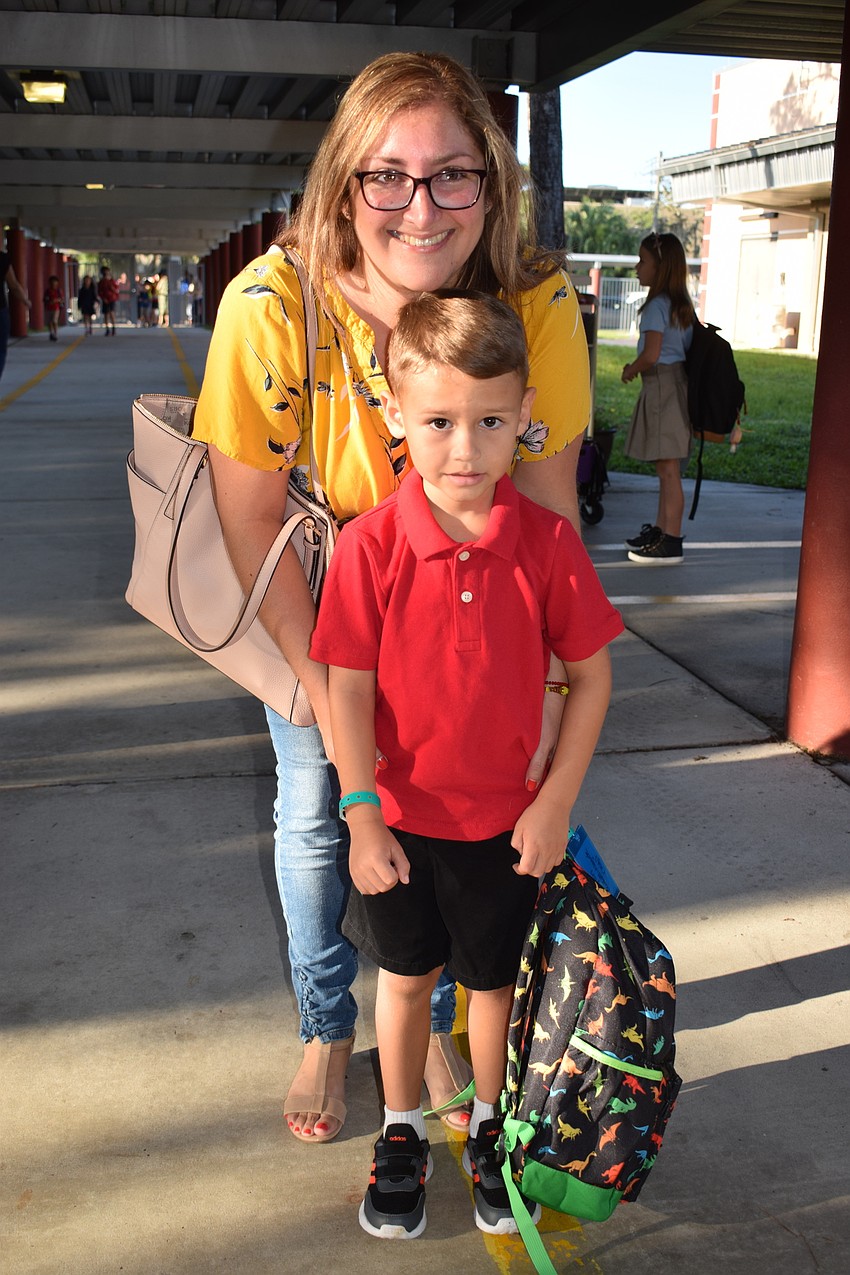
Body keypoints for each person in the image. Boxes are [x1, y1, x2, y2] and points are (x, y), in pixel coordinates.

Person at [193, 50, 592, 1147]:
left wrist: (555, 683)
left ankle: (466, 1012)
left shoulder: (536, 301)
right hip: (335, 607)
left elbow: (549, 504)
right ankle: (329, 1025)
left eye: (453, 175)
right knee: (320, 808)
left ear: (491, 186)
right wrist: (315, 677)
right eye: (388, 177)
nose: (420, 209)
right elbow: (248, 512)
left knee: (483, 828)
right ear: (344, 185)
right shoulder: (274, 304)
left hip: (481, 623)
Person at [309, 291, 622, 1238]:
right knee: (405, 981)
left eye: (490, 422)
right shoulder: (369, 548)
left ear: (526, 414)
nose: (464, 448)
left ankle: (489, 1126)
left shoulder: (549, 545)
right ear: (396, 414)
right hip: (398, 821)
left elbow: (594, 679)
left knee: (490, 985)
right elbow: (347, 689)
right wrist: (360, 811)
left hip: (505, 822)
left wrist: (554, 801)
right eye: (439, 422)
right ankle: (401, 1131)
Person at [621, 231, 696, 565]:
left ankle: (672, 540)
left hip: (662, 387)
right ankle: (661, 531)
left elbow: (651, 354)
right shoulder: (679, 305)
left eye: (643, 261)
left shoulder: (657, 306)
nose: (637, 267)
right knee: (667, 468)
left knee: (668, 471)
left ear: (660, 267)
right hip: (675, 385)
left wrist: (630, 368)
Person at [0, 246, 31, 382]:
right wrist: (25, 301)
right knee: (0, 350)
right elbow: (13, 285)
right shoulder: (2, 258)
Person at [97, 266, 119, 336]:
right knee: (106, 315)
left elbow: (116, 289)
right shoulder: (101, 282)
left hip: (112, 299)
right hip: (105, 300)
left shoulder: (112, 281)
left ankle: (113, 329)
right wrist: (103, 298)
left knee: (112, 313)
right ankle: (107, 329)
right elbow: (100, 292)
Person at [44, 275, 63, 342]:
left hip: (56, 308)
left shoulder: (58, 291)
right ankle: (51, 333)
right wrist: (49, 301)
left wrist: (57, 300)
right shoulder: (47, 291)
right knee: (49, 322)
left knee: (54, 321)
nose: (54, 285)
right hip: (48, 308)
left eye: (55, 284)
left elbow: (61, 299)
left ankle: (55, 334)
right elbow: (45, 299)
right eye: (52, 283)